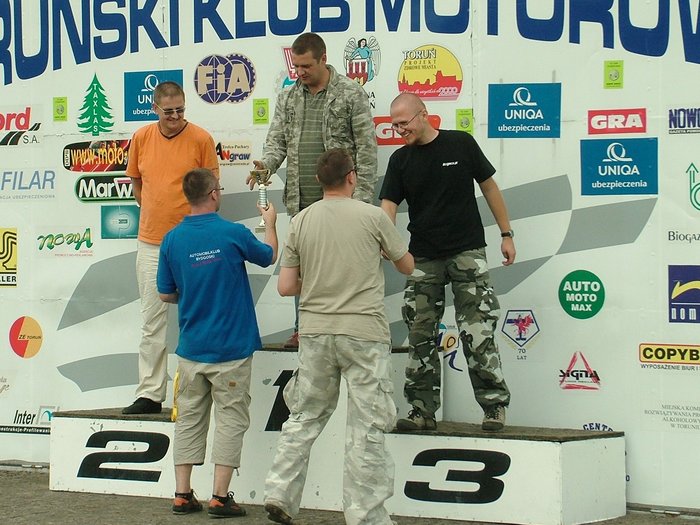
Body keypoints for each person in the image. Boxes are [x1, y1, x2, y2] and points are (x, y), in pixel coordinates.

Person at [263, 148, 414, 525]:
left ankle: (280, 492)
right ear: (352, 177)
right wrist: (378, 254)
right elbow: (407, 266)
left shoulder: (301, 221)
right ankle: (366, 516)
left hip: (316, 332)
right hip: (364, 333)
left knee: (304, 415)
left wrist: (319, 278)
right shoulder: (373, 216)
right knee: (367, 427)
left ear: (319, 181)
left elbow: (286, 287)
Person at [379, 93, 514, 432]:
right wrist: (388, 243)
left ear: (423, 115)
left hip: (467, 251)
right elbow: (388, 207)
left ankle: (494, 406)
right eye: (395, 126)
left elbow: (490, 188)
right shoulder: (399, 160)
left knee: (477, 331)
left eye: (404, 123)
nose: (400, 130)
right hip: (423, 256)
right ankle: (422, 410)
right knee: (420, 333)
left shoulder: (460, 144)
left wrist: (506, 234)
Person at [157, 168, 278, 517]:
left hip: (192, 348)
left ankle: (182, 494)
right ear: (213, 194)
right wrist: (270, 224)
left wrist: (194, 292)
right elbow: (269, 256)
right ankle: (220, 497)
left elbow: (165, 293)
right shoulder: (232, 233)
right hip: (231, 349)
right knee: (230, 420)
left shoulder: (171, 239)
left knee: (189, 420)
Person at [249, 32, 378, 348]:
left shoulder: (351, 93)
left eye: (306, 66)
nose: (300, 72)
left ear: (323, 59)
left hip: (343, 204)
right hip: (301, 203)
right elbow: (276, 142)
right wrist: (266, 166)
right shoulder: (287, 97)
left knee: (344, 269)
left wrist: (361, 201)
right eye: (296, 66)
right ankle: (303, 329)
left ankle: (347, 331)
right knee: (302, 268)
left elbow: (366, 148)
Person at [123, 81, 219, 415]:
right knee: (152, 321)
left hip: (193, 241)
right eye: (168, 111)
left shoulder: (201, 139)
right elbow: (136, 182)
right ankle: (150, 394)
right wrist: (154, 211)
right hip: (152, 242)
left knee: (199, 316)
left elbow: (211, 189)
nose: (175, 116)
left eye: (180, 110)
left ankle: (196, 392)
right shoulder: (141, 138)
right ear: (154, 109)